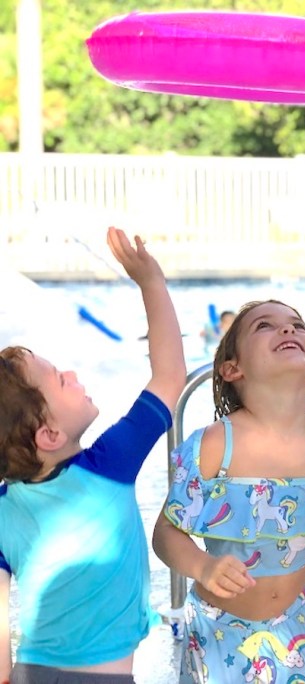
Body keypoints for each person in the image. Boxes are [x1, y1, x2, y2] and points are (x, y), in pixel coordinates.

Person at [152, 299, 305, 683]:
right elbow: (167, 533)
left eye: (297, 324)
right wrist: (203, 566)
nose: (288, 330)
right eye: (266, 325)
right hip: (219, 631)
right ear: (233, 368)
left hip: (300, 625)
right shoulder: (216, 446)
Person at [0, 227, 186, 684]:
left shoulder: (3, 508)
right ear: (49, 433)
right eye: (59, 379)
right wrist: (152, 285)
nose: (71, 372)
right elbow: (169, 376)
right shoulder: (109, 463)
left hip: (32, 674)